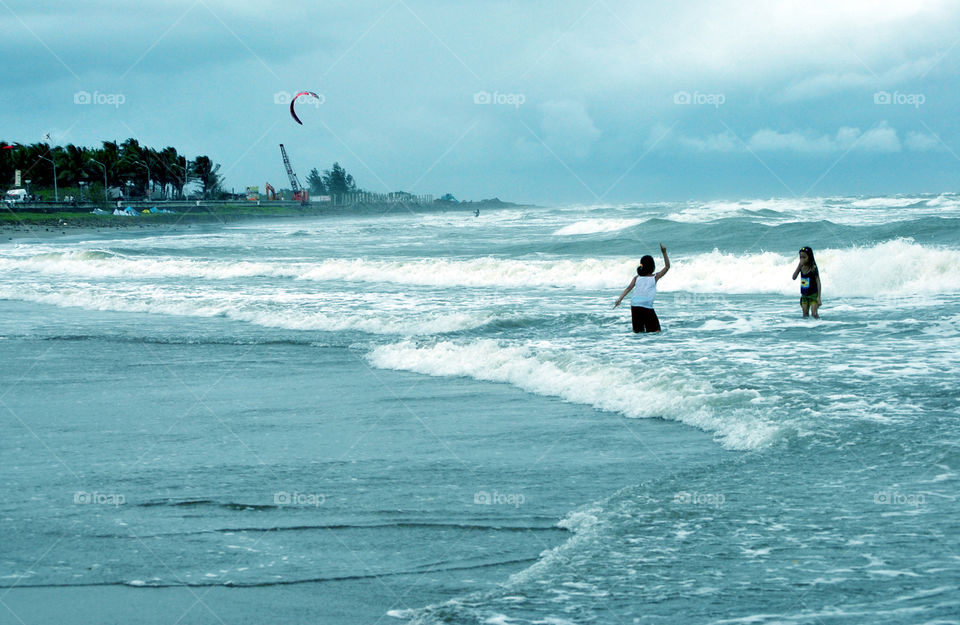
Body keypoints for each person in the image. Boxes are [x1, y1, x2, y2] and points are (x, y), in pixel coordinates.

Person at [614, 243, 670, 333]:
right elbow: (667, 267)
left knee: (638, 332)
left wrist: (619, 299)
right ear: (652, 266)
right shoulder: (654, 277)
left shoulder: (637, 278)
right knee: (656, 331)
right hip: (646, 306)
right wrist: (664, 252)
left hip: (635, 305)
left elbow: (628, 288)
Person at [792, 246, 821, 319]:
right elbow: (794, 277)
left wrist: (819, 297)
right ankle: (807, 328)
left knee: (814, 313)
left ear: (810, 257)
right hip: (804, 295)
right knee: (805, 313)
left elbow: (818, 282)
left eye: (804, 257)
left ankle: (819, 325)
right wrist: (799, 266)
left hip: (813, 295)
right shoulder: (801, 267)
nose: (802, 259)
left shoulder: (813, 268)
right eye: (800, 257)